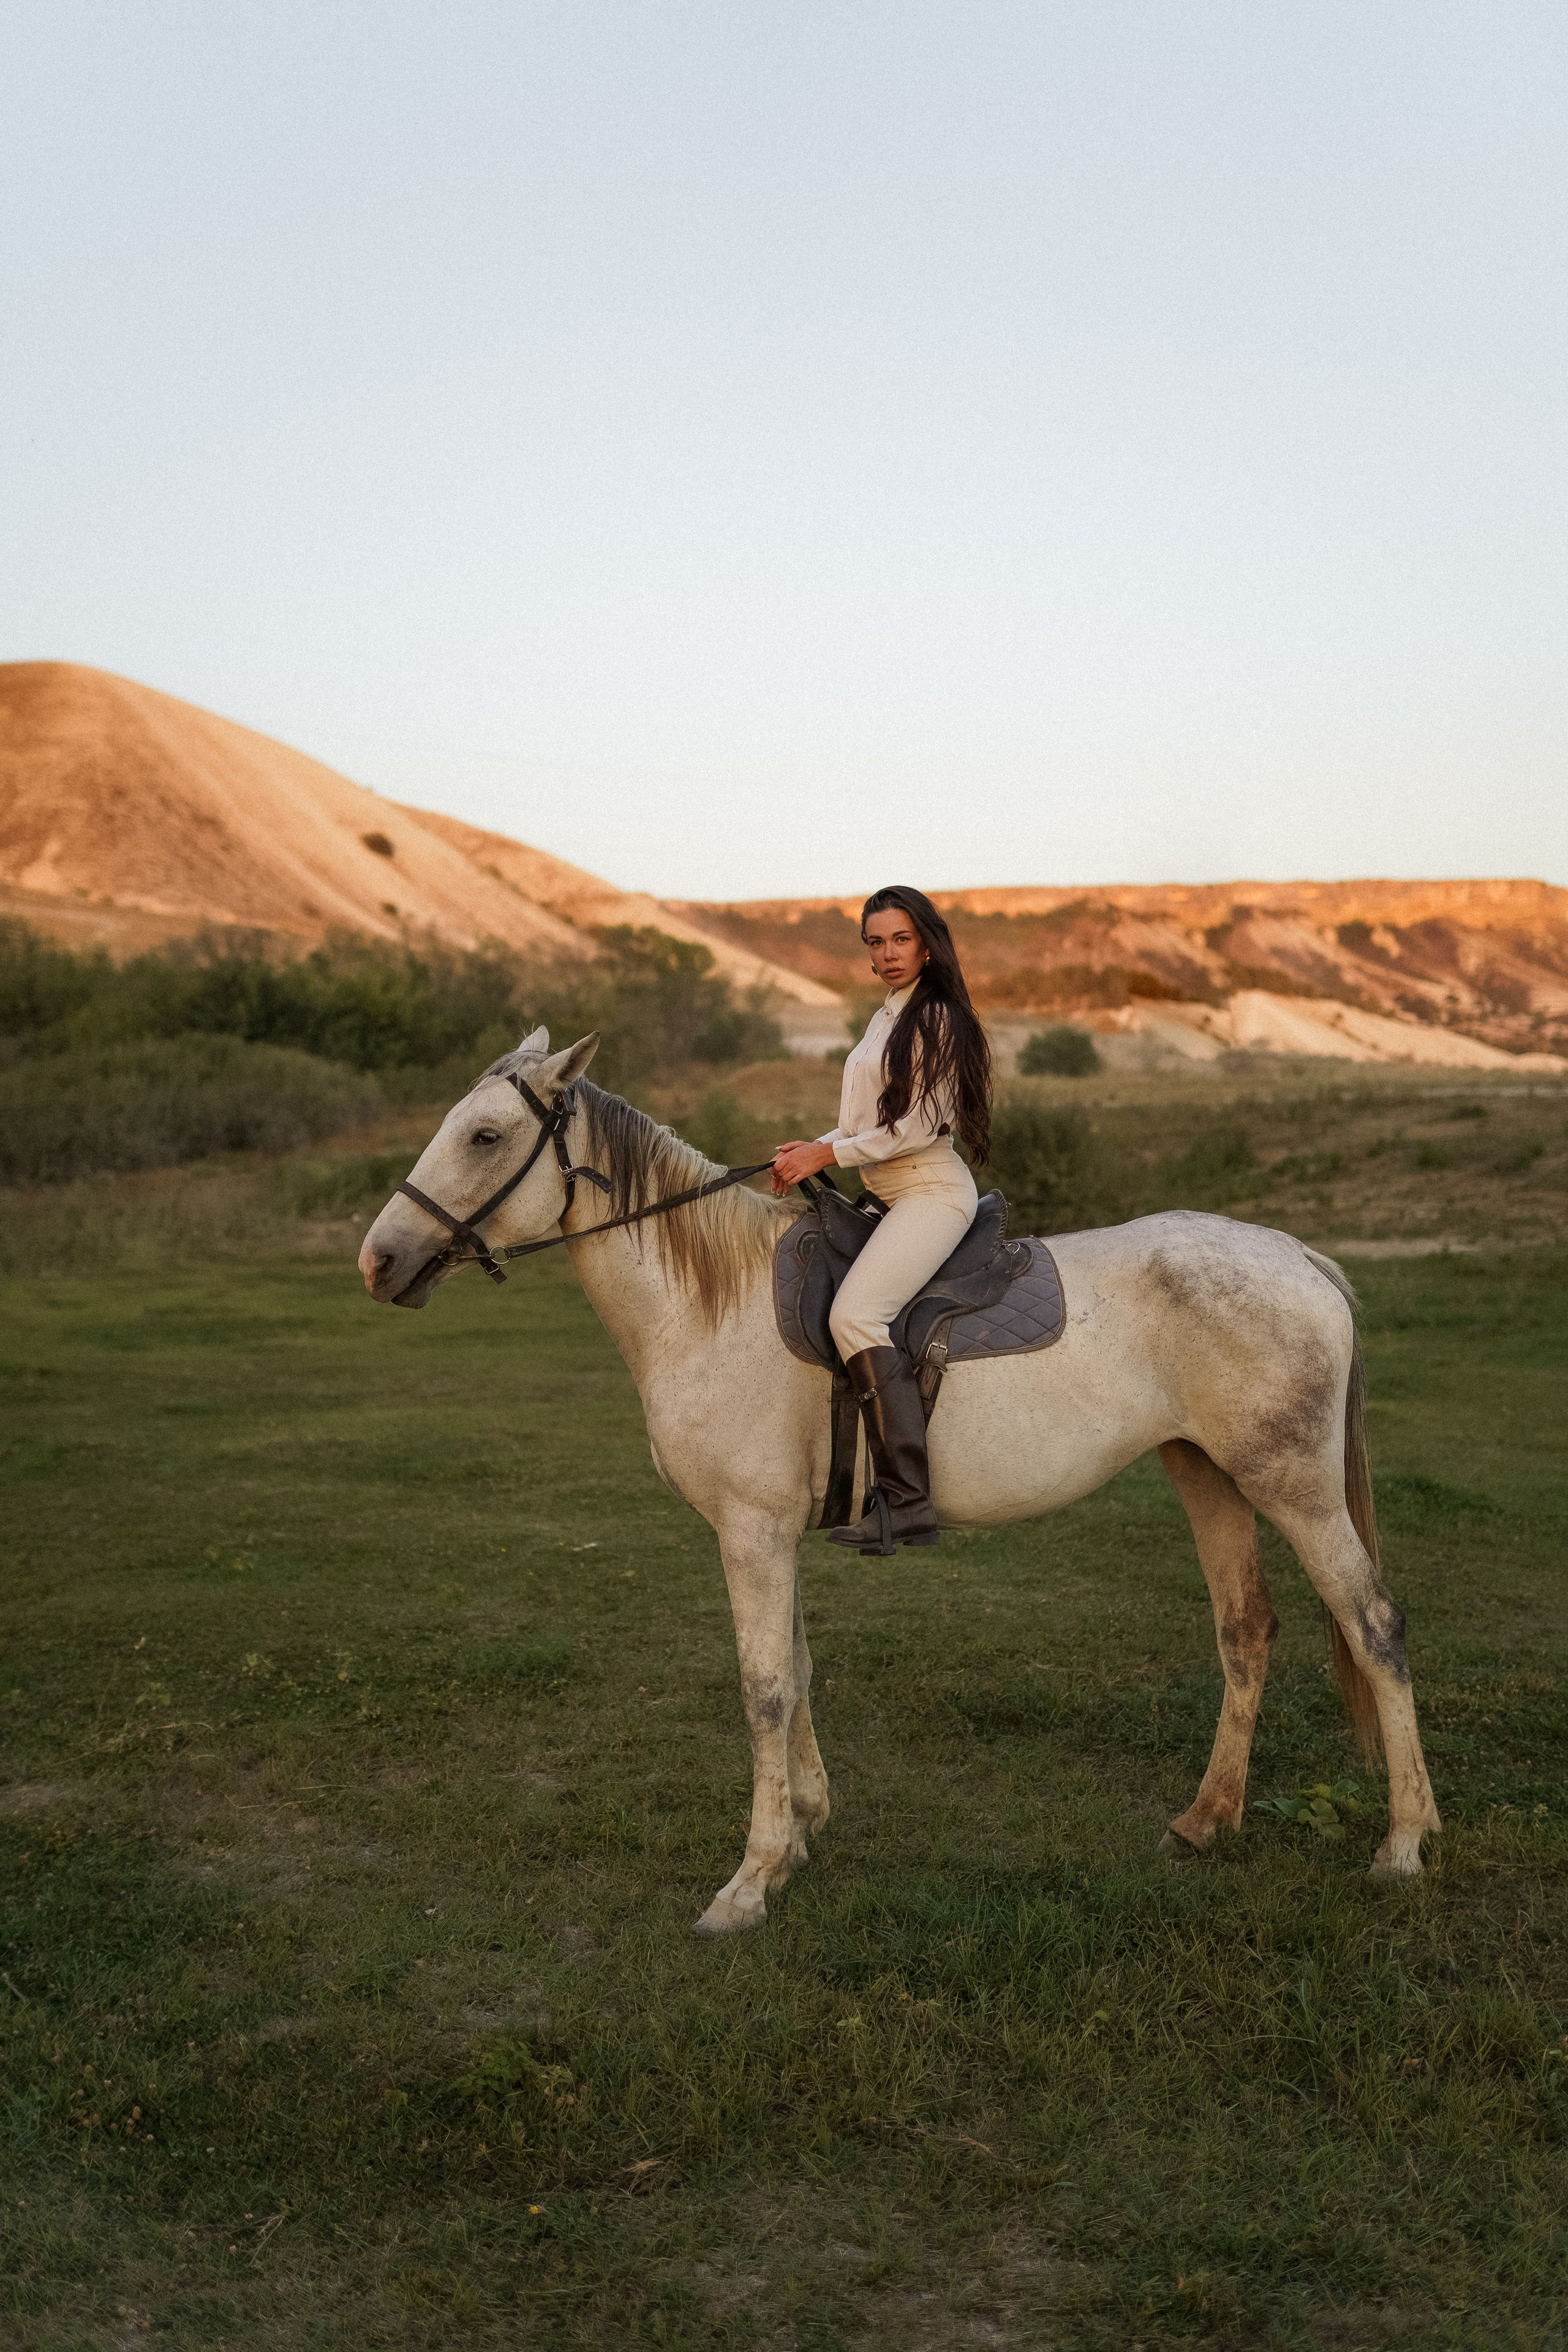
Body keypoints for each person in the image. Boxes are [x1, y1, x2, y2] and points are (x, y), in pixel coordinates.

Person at [772, 885, 992, 1553]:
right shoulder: (888, 1015)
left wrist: (827, 1153)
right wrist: (811, 1148)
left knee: (854, 1316)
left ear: (926, 941)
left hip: (928, 1192)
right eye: (875, 941)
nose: (888, 953)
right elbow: (864, 1123)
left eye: (900, 938)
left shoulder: (937, 1019)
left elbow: (918, 1128)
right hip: (887, 1191)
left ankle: (907, 1503)